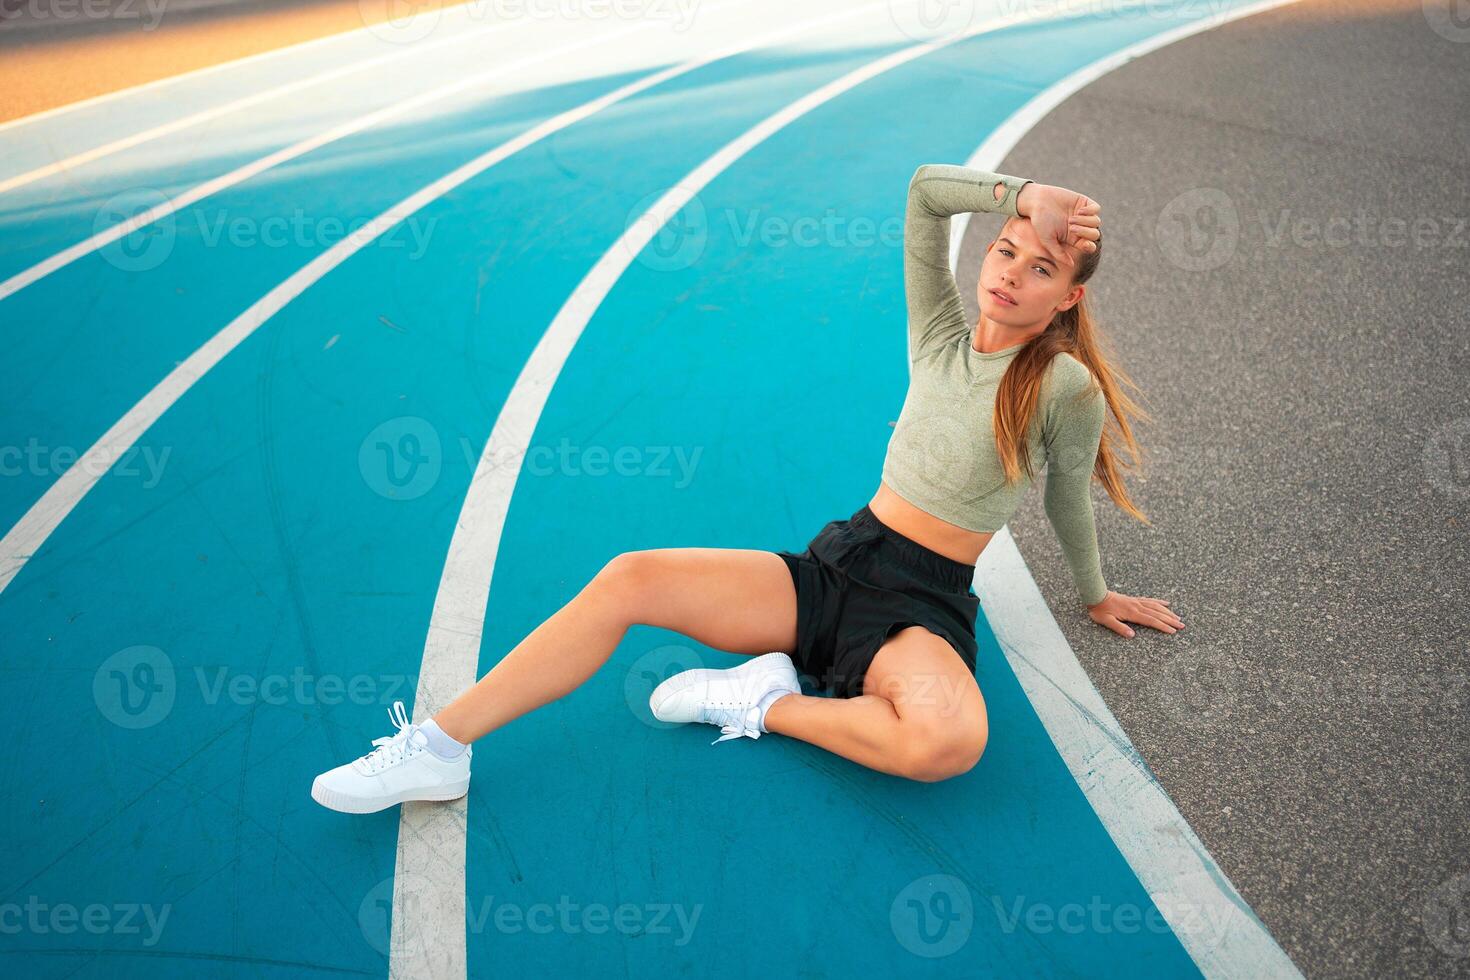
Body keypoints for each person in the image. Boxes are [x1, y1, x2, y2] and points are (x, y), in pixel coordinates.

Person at [310, 163, 1184, 814]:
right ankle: (438, 746)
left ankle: (768, 701)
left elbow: (1069, 495)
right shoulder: (941, 332)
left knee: (950, 741)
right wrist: (1022, 194)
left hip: (920, 606)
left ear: (1068, 299)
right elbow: (924, 194)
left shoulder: (1063, 387)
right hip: (841, 563)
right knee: (630, 576)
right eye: (1007, 251)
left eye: (1040, 270)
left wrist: (1097, 593)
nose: (1011, 272)